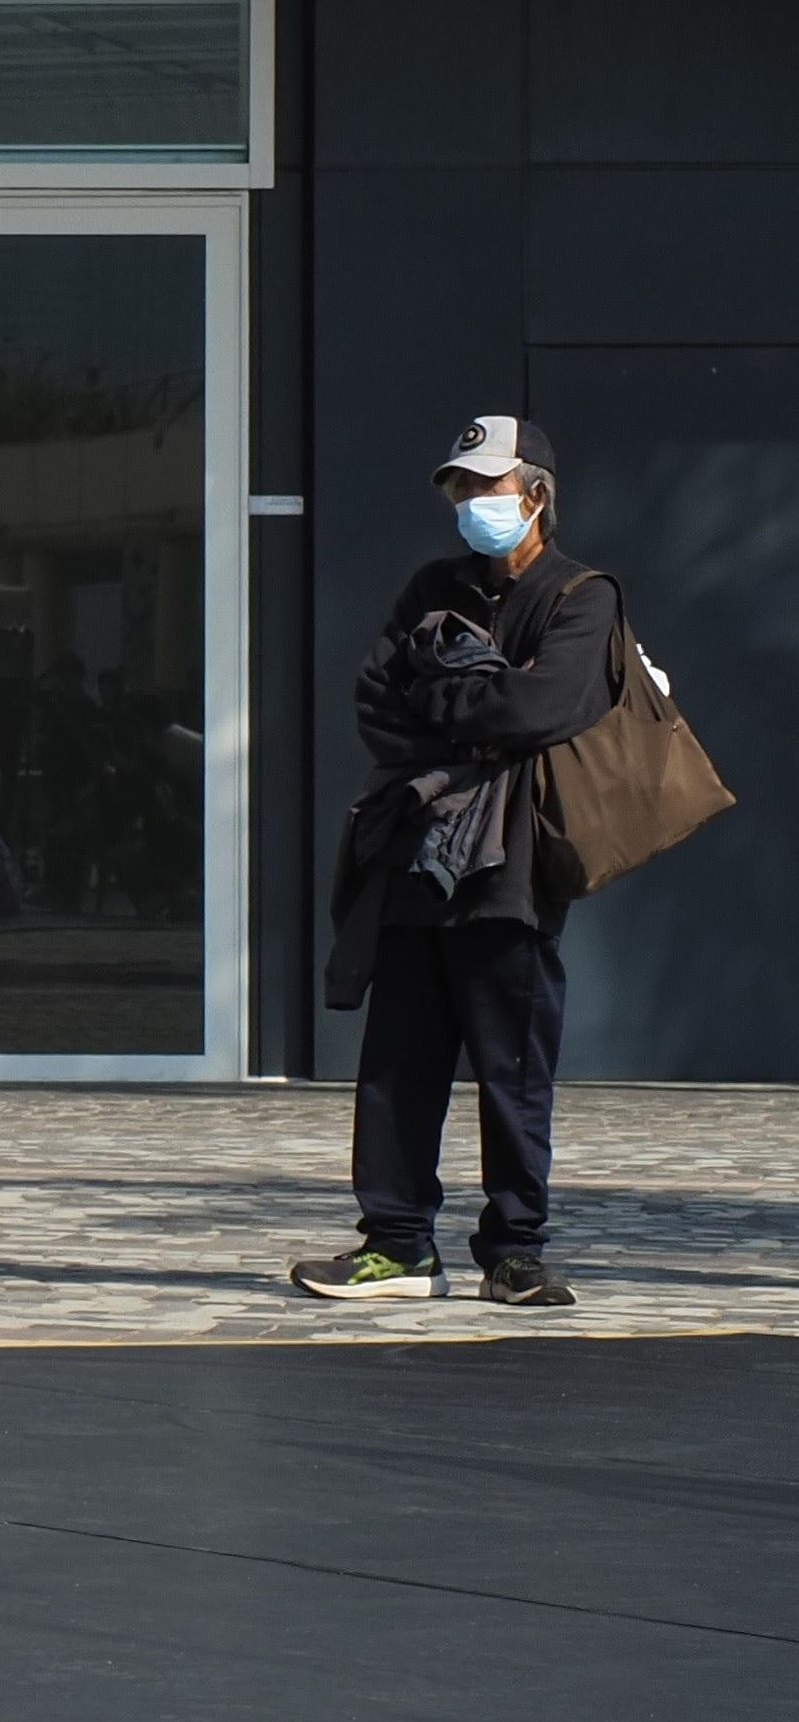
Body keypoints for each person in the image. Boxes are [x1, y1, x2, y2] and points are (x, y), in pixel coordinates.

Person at [297, 415, 616, 1311]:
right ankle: (395, 1244)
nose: (473, 503)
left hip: (510, 868)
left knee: (512, 1070)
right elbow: (376, 698)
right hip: (413, 860)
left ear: (536, 494)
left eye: (489, 486)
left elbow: (543, 708)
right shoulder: (432, 586)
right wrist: (478, 704)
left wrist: (446, 697)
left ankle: (514, 1250)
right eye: (462, 488)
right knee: (398, 1065)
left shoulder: (580, 597)